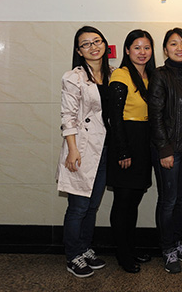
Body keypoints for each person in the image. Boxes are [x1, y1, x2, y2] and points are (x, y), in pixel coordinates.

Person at [57, 26, 112, 278]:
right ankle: (73, 256)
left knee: (92, 206)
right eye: (86, 44)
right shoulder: (73, 77)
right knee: (78, 206)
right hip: (80, 148)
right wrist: (72, 150)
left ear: (104, 44)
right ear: (79, 51)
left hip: (104, 148)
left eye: (97, 41)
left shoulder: (113, 74)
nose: (93, 47)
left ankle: (84, 248)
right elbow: (67, 116)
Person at [148, 28, 182, 274]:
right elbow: (155, 114)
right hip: (169, 149)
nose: (179, 48)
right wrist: (164, 149)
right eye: (174, 44)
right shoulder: (160, 75)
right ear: (165, 50)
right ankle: (167, 249)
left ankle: (177, 243)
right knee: (167, 200)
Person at [107, 29, 156, 273]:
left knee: (134, 200)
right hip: (126, 141)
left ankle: (130, 248)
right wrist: (122, 151)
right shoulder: (121, 74)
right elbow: (114, 117)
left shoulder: (150, 76)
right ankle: (123, 254)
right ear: (127, 50)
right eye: (137, 47)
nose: (142, 52)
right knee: (123, 201)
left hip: (144, 142)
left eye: (146, 47)